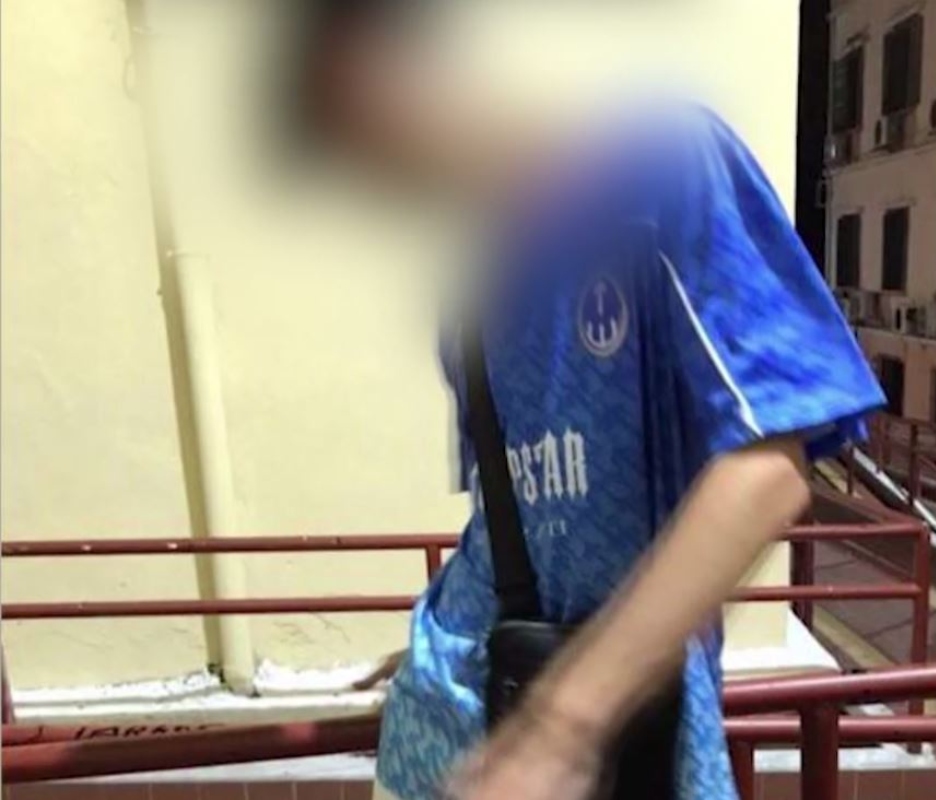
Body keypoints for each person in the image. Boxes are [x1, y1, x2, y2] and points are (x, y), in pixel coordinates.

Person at [286, 3, 886, 798]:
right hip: (449, 732)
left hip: (587, 754)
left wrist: (563, 725)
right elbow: (517, 523)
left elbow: (768, 472)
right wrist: (457, 639)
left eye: (358, 129)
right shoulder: (472, 297)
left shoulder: (658, 165)